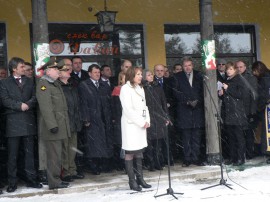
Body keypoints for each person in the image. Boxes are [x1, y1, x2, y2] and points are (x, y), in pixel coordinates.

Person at [0, 57, 42, 192]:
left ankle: (31, 179)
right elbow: (5, 100)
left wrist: (28, 104)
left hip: (28, 122)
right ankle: (12, 182)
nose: (24, 69)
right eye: (22, 67)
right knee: (13, 155)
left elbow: (35, 97)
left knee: (30, 154)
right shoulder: (4, 83)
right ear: (14, 69)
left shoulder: (30, 82)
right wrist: (19, 106)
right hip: (13, 123)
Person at [36, 58, 70, 190]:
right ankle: (54, 181)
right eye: (56, 69)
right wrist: (52, 125)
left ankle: (57, 179)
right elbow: (46, 107)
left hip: (61, 125)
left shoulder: (54, 84)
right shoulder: (43, 84)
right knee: (54, 156)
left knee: (58, 154)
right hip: (53, 127)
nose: (58, 72)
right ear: (48, 71)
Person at [120, 66, 151, 191]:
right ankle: (132, 181)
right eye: (138, 74)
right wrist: (140, 122)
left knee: (139, 151)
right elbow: (128, 109)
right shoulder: (125, 89)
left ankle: (140, 178)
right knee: (130, 152)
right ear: (132, 75)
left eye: (141, 74)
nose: (140, 76)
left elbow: (145, 106)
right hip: (131, 125)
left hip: (141, 124)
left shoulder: (140, 88)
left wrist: (147, 120)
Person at [78, 64, 112, 175]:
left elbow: (108, 103)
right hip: (92, 119)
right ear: (89, 74)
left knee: (103, 143)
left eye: (98, 72)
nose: (97, 74)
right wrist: (86, 119)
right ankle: (93, 166)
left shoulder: (104, 85)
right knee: (93, 144)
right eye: (95, 72)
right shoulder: (84, 85)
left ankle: (103, 165)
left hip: (103, 119)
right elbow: (83, 103)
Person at [172, 56, 205, 167]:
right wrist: (187, 101)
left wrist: (198, 101)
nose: (187, 68)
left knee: (196, 136)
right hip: (184, 110)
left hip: (197, 109)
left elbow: (203, 90)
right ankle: (187, 159)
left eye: (189, 65)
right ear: (182, 66)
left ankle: (196, 158)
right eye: (185, 66)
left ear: (192, 65)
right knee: (186, 137)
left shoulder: (199, 75)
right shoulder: (177, 76)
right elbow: (176, 92)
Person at [56, 59, 84, 182]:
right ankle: (65, 172)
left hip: (74, 119)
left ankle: (72, 170)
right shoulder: (57, 86)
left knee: (73, 147)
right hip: (64, 121)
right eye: (66, 69)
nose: (69, 71)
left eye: (69, 68)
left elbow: (77, 103)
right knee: (64, 148)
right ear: (59, 72)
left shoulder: (73, 84)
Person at [218, 62, 248, 166]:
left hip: (237, 112)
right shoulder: (227, 80)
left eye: (230, 69)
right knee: (231, 137)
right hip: (229, 112)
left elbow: (240, 94)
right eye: (227, 69)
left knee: (238, 137)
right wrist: (221, 94)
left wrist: (228, 89)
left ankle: (240, 157)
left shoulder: (239, 79)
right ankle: (233, 157)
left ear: (235, 70)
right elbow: (228, 97)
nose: (228, 71)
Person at [143, 70, 169, 171]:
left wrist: (166, 116)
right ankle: (150, 163)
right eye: (148, 75)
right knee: (149, 143)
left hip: (158, 117)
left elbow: (163, 102)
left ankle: (158, 162)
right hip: (148, 117)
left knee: (158, 142)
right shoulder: (142, 88)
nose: (151, 76)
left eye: (151, 75)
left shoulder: (157, 87)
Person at [236, 60, 258, 159]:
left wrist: (252, 111)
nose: (239, 69)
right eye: (237, 67)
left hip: (248, 110)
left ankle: (249, 154)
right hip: (237, 111)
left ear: (245, 67)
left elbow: (254, 96)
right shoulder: (234, 77)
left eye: (241, 67)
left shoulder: (251, 78)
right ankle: (241, 154)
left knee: (249, 134)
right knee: (239, 135)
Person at [251, 61, 270, 164]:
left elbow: (264, 95)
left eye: (255, 71)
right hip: (265, 107)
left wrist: (259, 106)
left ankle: (267, 152)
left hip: (266, 109)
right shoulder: (266, 77)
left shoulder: (264, 79)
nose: (254, 73)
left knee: (267, 131)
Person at [111, 71, 126, 171]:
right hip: (120, 120)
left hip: (129, 120)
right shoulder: (117, 90)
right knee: (120, 142)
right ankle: (121, 163)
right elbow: (114, 107)